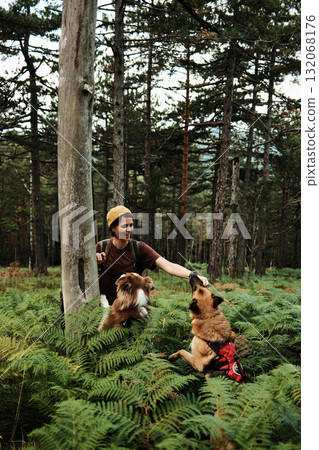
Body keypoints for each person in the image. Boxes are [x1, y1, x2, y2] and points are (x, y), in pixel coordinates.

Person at [96, 205, 209, 306]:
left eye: (131, 225)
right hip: (104, 310)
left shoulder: (139, 248)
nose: (129, 230)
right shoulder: (101, 248)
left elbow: (168, 266)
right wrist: (95, 262)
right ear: (112, 228)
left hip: (131, 310)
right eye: (125, 226)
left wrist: (192, 275)